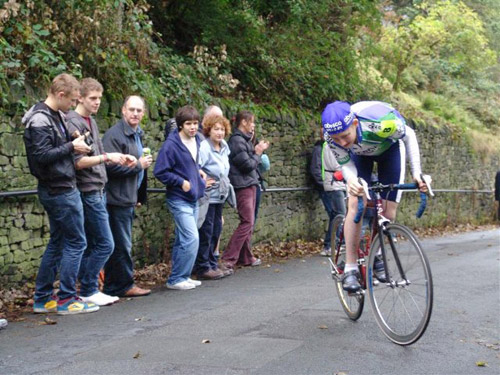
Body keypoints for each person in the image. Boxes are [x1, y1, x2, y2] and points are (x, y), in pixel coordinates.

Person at [322, 101, 427, 292]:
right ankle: (350, 269)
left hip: (390, 150)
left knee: (388, 212)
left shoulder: (379, 122)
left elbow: (409, 135)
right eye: (337, 139)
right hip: (359, 157)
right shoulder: (331, 137)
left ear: (354, 123)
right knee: (355, 203)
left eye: (345, 136)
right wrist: (353, 181)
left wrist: (417, 173)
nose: (342, 143)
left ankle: (376, 253)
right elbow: (345, 164)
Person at [23, 73, 99, 315]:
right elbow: (41, 156)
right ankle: (67, 299)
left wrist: (71, 138)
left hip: (60, 187)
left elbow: (53, 144)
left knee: (57, 242)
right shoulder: (39, 120)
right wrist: (71, 147)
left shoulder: (54, 116)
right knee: (77, 242)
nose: (73, 107)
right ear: (60, 95)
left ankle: (43, 299)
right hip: (59, 189)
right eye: (72, 100)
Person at [66, 78, 136, 306]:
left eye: (99, 98)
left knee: (94, 243)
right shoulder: (73, 122)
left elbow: (100, 154)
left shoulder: (91, 122)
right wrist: (107, 157)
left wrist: (119, 159)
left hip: (99, 189)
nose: (97, 102)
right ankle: (87, 288)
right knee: (106, 243)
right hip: (88, 190)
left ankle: (88, 288)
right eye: (92, 98)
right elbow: (79, 162)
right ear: (80, 98)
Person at [102, 95, 152, 297]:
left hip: (128, 197)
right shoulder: (115, 135)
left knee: (121, 243)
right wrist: (139, 165)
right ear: (123, 110)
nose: (135, 114)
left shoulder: (136, 133)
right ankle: (122, 285)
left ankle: (116, 285)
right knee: (121, 244)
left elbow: (140, 169)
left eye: (139, 110)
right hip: (116, 199)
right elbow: (109, 168)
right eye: (132, 109)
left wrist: (139, 195)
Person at [154, 105, 207, 290]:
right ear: (180, 125)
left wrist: (197, 172)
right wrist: (180, 182)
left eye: (195, 123)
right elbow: (160, 171)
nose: (193, 127)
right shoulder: (171, 145)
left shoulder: (197, 141)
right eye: (188, 124)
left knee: (182, 239)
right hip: (178, 197)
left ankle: (180, 275)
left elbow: (189, 163)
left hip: (193, 197)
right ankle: (176, 280)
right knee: (192, 238)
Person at [221, 111, 269, 269]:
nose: (253, 125)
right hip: (242, 185)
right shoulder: (236, 142)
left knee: (249, 221)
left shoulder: (244, 141)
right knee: (247, 221)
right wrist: (258, 152)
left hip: (250, 183)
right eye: (251, 122)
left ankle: (246, 256)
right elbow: (247, 165)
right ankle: (229, 257)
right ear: (243, 122)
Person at [192, 115, 233, 280]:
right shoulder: (204, 147)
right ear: (209, 130)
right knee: (206, 230)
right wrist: (203, 181)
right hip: (208, 196)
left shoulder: (224, 146)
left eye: (222, 129)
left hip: (220, 196)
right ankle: (202, 266)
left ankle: (211, 262)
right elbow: (196, 167)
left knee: (216, 230)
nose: (220, 132)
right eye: (216, 129)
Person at [310, 138, 346, 256]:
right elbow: (338, 166)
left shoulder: (336, 146)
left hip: (339, 184)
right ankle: (329, 245)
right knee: (339, 214)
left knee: (337, 214)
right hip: (334, 185)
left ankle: (334, 243)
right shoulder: (328, 146)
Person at [251, 130, 270, 224]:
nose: (251, 132)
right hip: (245, 185)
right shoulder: (240, 144)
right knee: (248, 219)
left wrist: (260, 153)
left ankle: (248, 238)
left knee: (253, 216)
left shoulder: (256, 145)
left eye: (253, 130)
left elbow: (267, 165)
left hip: (256, 183)